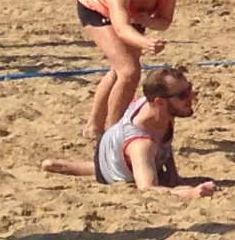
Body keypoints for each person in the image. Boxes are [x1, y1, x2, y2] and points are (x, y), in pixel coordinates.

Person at [41, 63, 218, 196]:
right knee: (129, 168)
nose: (192, 95)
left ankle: (62, 165)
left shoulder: (157, 108)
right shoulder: (141, 145)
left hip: (114, 146)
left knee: (134, 162)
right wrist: (191, 193)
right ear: (159, 102)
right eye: (184, 94)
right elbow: (148, 189)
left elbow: (165, 138)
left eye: (189, 88)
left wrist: (173, 174)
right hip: (113, 163)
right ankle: (67, 166)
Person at [76, 0, 179, 141]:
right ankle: (113, 133)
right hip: (95, 8)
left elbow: (164, 22)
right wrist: (146, 43)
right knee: (129, 71)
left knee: (119, 71)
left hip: (132, 15)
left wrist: (146, 21)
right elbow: (122, 29)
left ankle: (94, 126)